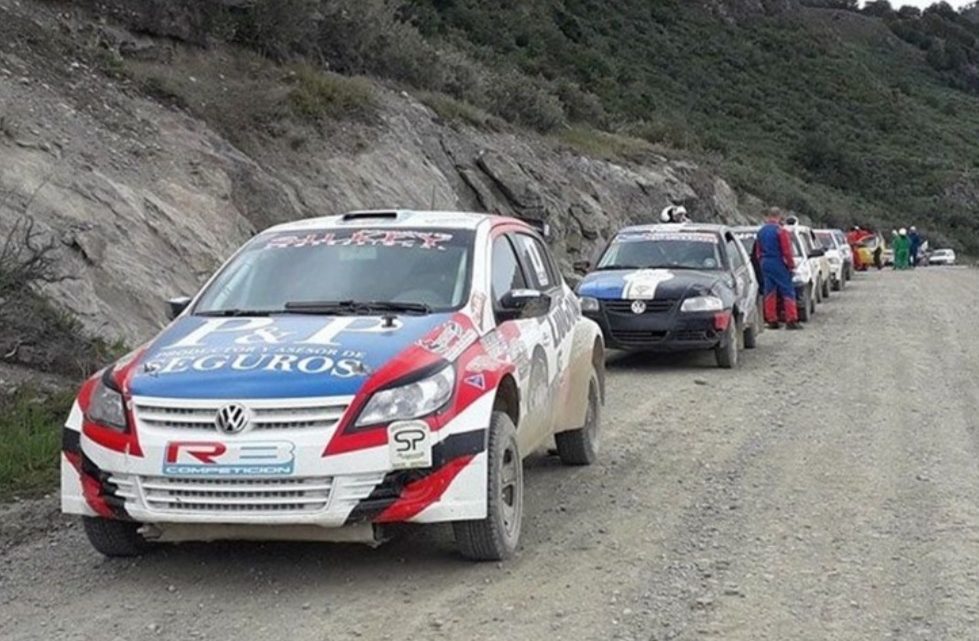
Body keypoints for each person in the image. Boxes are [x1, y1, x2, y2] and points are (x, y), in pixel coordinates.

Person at [754, 209, 801, 330]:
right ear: (779, 216)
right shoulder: (781, 231)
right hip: (778, 262)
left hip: (765, 263)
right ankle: (791, 320)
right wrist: (791, 265)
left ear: (768, 216)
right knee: (788, 291)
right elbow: (786, 251)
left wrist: (762, 262)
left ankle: (771, 320)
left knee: (769, 292)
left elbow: (758, 251)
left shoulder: (761, 232)